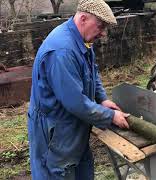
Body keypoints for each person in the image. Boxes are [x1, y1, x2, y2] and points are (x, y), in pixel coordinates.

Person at [27, 0, 129, 179]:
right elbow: (75, 102)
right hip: (55, 130)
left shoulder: (81, 39)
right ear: (83, 18)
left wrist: (102, 98)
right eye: (100, 26)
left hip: (74, 125)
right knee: (58, 172)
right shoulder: (62, 51)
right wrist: (110, 116)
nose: (103, 34)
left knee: (82, 170)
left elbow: (92, 71)